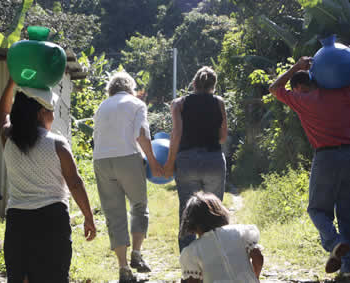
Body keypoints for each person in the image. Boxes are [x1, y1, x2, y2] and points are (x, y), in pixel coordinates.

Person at [0, 78, 97, 283]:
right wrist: (89, 217)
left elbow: (2, 113)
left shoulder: (9, 138)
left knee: (20, 279)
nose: (53, 115)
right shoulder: (57, 144)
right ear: (42, 113)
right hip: (51, 220)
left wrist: (11, 83)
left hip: (18, 221)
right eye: (52, 110)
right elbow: (75, 183)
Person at [269, 56, 350, 277]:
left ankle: (335, 243)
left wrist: (296, 66)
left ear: (298, 87)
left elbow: (274, 87)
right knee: (346, 214)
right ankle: (347, 268)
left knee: (316, 209)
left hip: (326, 157)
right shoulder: (342, 94)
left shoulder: (302, 100)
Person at [93, 71, 163, 282]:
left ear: (111, 89)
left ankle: (124, 269)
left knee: (114, 215)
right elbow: (141, 134)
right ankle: (137, 255)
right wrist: (152, 161)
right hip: (127, 157)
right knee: (139, 206)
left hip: (101, 161)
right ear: (130, 88)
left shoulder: (101, 106)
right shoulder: (136, 104)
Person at [164, 66, 228, 251]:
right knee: (215, 211)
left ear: (193, 84)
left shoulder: (179, 104)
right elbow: (223, 137)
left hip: (187, 161)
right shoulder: (219, 102)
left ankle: (188, 261)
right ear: (213, 86)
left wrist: (169, 164)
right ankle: (215, 254)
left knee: (187, 211)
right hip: (214, 160)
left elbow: (176, 135)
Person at [179, 192, 263, 282]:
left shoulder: (192, 251)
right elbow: (258, 257)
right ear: (221, 213)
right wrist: (255, 277)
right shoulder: (240, 232)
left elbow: (193, 281)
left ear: (191, 223)